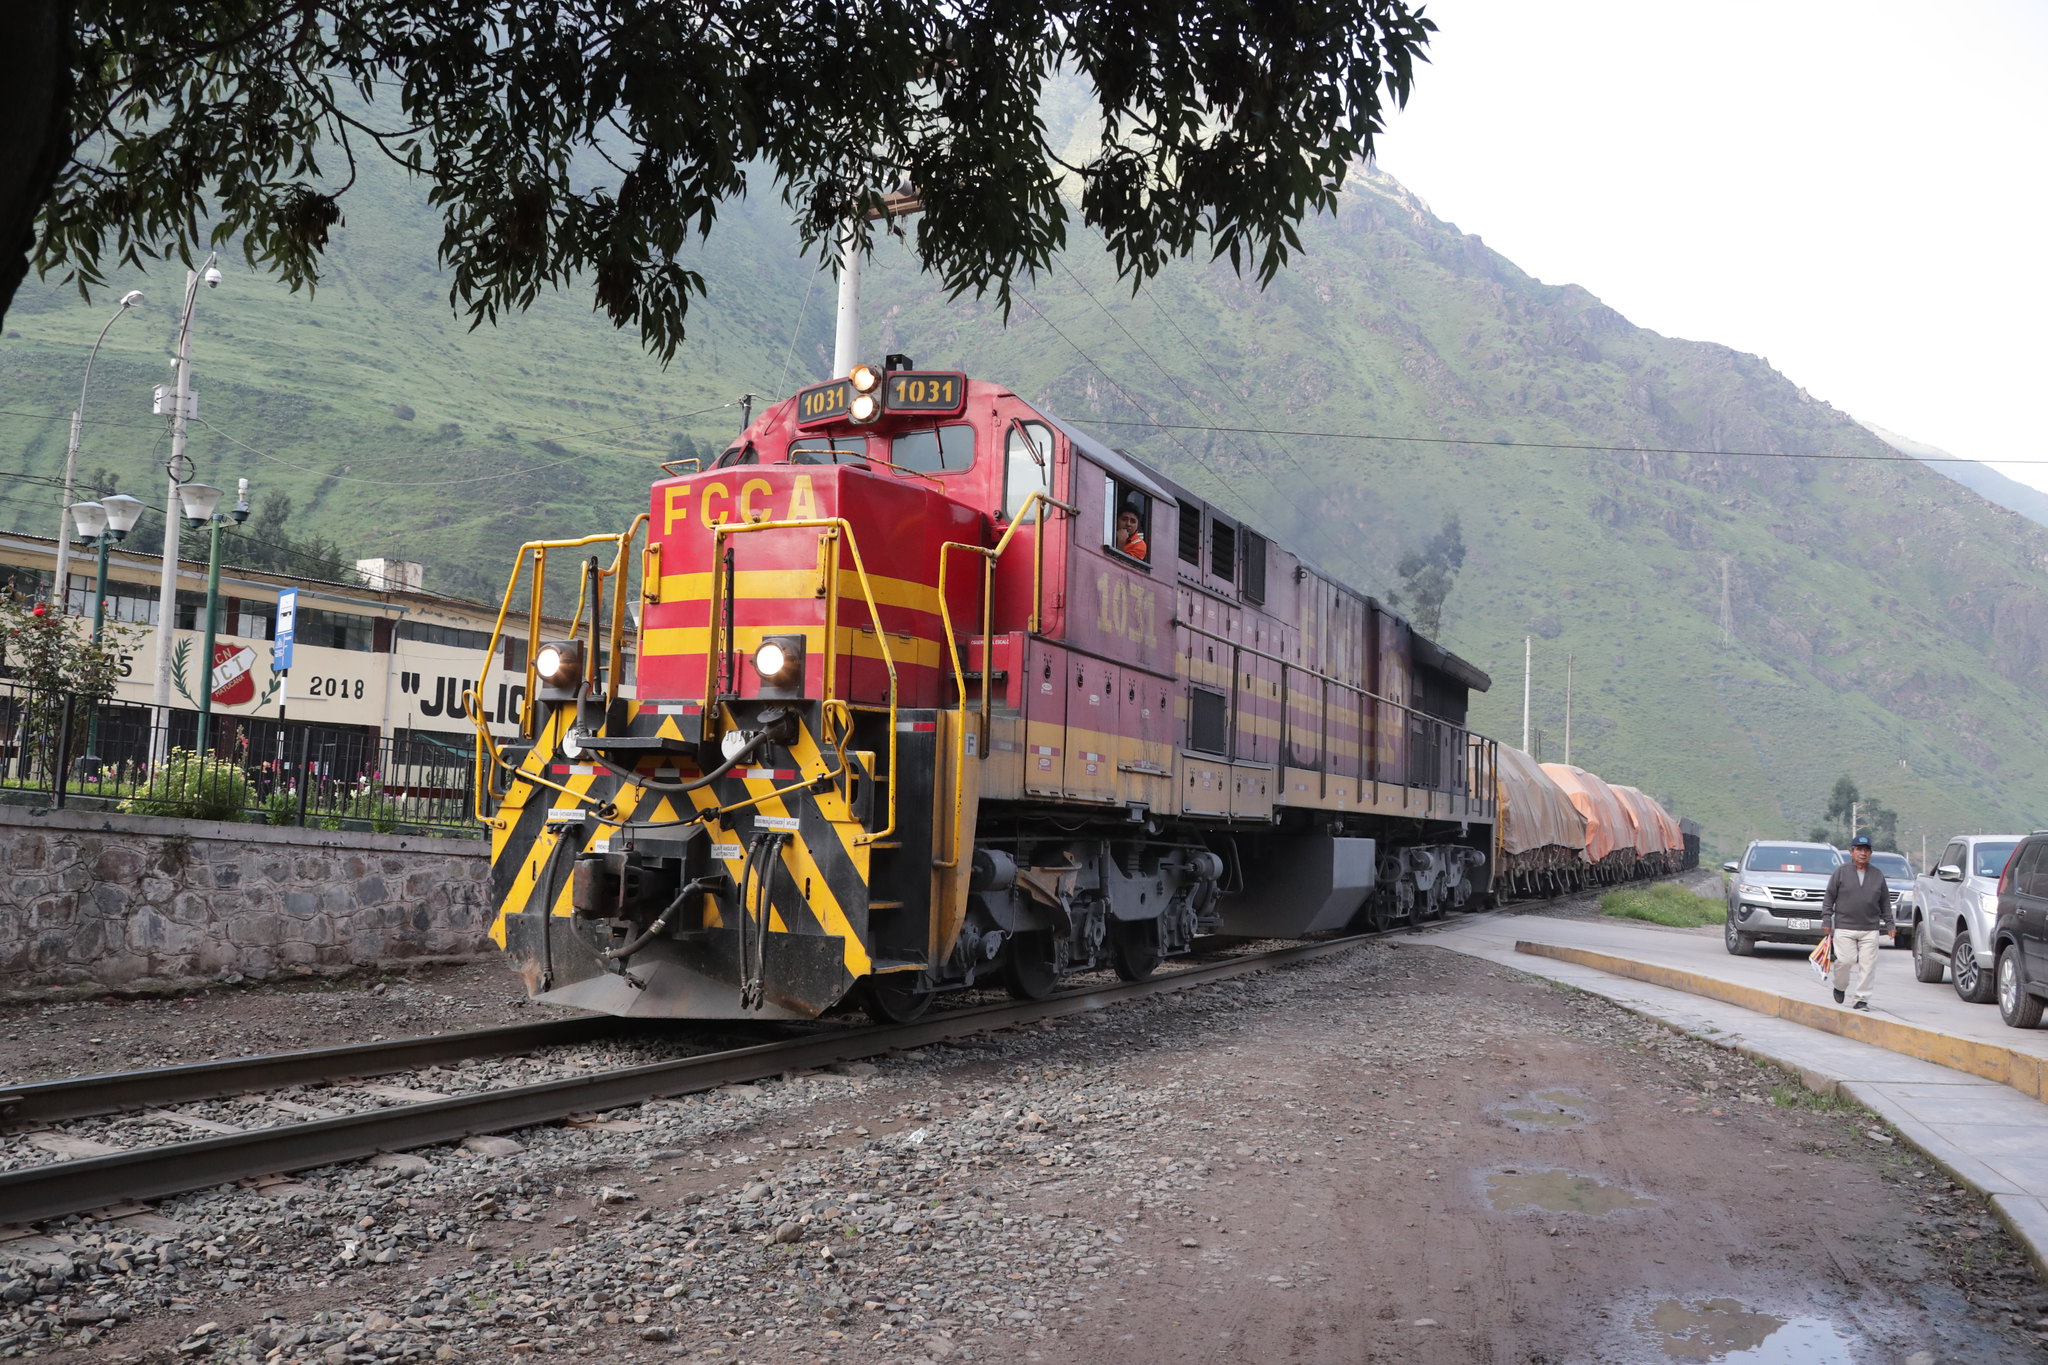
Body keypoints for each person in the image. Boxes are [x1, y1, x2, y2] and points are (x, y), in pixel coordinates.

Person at [1822, 834, 1894, 1011]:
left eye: (1866, 850)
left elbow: (1885, 901)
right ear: (1851, 852)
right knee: (1845, 961)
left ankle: (1861, 999)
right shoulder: (1841, 872)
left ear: (1870, 853)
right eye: (1859, 850)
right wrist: (1826, 919)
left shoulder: (1877, 875)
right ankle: (1839, 986)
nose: (1863, 853)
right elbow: (1829, 897)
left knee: (1868, 966)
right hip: (1845, 927)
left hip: (1870, 928)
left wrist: (1890, 924)